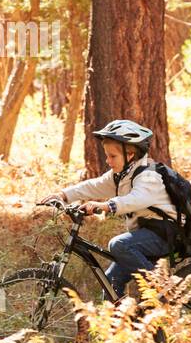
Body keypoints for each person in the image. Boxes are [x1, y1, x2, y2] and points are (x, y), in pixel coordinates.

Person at [40, 119, 178, 298]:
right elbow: (93, 186)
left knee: (118, 244)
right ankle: (119, 324)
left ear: (129, 155)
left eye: (112, 156)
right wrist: (63, 195)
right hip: (145, 235)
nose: (107, 160)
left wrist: (106, 205)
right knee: (111, 281)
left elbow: (136, 199)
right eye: (107, 155)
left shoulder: (148, 175)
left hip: (166, 234)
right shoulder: (121, 175)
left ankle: (167, 294)